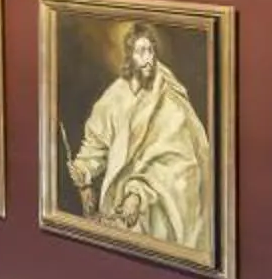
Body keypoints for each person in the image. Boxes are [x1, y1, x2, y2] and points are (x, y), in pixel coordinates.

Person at [65, 21, 213, 248]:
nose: (148, 58)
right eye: (140, 51)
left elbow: (178, 166)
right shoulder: (114, 98)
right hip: (119, 214)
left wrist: (139, 194)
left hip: (159, 215)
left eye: (150, 50)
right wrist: (84, 169)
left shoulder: (170, 104)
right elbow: (96, 144)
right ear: (128, 56)